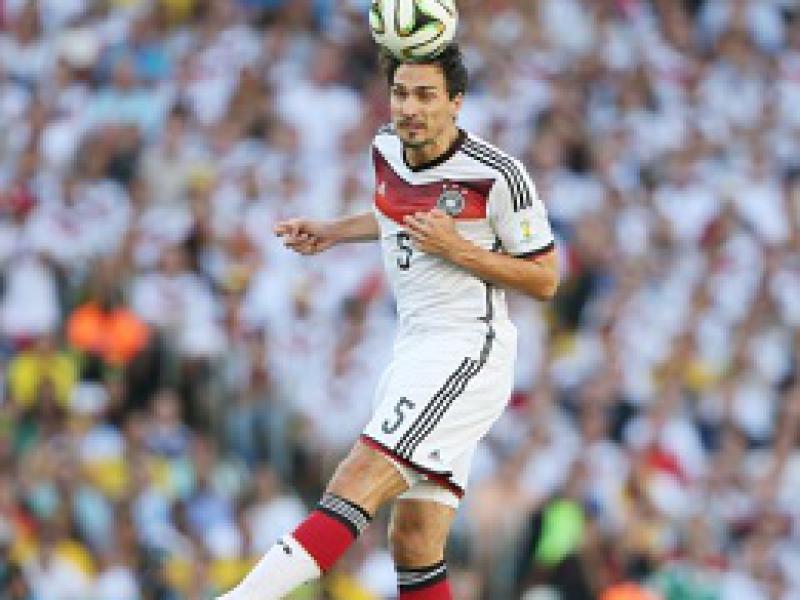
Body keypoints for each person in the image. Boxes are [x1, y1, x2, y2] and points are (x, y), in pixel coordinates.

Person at [218, 44, 559, 600]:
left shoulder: (499, 176)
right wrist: (334, 230)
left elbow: (545, 279)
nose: (410, 108)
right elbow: (395, 215)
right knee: (415, 541)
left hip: (467, 351)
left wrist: (459, 249)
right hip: (412, 349)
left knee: (356, 478)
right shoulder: (387, 149)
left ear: (455, 102)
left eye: (426, 95)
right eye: (401, 94)